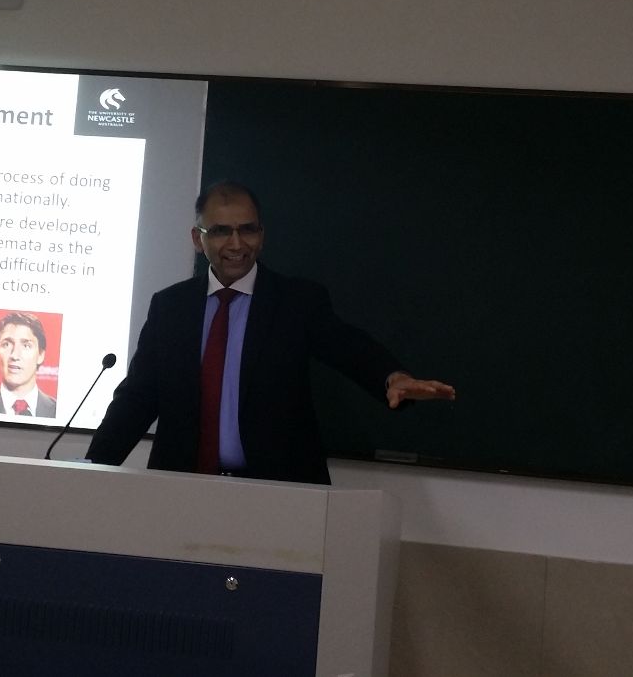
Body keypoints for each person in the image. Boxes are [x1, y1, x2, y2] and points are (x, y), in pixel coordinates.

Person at [86, 181, 455, 484]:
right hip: (182, 488)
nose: (236, 244)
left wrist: (392, 377)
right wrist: (90, 469)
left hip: (279, 493)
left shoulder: (297, 302)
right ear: (198, 239)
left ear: (261, 236)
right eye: (221, 231)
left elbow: (347, 346)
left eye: (247, 229)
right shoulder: (170, 307)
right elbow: (137, 398)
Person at [0, 311, 58, 417]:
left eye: (26, 346)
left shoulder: (58, 412)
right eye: (6, 344)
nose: (15, 355)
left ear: (40, 355)